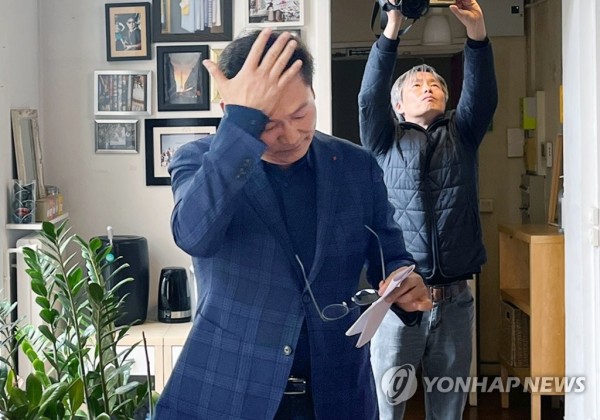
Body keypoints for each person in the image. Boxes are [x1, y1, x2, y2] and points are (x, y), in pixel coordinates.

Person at [155, 28, 432, 419]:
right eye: (266, 123)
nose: (289, 136)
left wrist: (405, 281)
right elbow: (193, 235)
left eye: (300, 113)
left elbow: (389, 254)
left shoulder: (355, 165)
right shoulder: (199, 161)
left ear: (313, 94)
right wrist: (241, 128)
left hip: (339, 395)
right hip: (230, 392)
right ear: (230, 112)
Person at [358, 0, 498, 418]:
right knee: (387, 407)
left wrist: (477, 33)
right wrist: (392, 27)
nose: (428, 87)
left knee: (449, 410)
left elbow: (482, 95)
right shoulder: (384, 140)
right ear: (399, 105)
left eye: (435, 84)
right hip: (398, 299)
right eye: (417, 85)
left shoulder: (462, 133)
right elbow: (369, 97)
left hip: (455, 301)